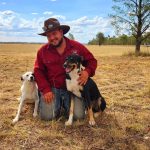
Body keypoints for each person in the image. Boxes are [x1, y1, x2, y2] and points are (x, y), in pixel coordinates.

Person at [34, 18, 97, 121]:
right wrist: (45, 90)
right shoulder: (42, 51)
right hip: (53, 89)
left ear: (61, 32)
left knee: (78, 117)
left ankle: (65, 105)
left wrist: (87, 72)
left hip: (74, 89)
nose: (52, 38)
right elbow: (38, 71)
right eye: (48, 36)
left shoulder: (77, 47)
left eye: (54, 33)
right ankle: (56, 104)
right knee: (47, 116)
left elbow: (92, 61)